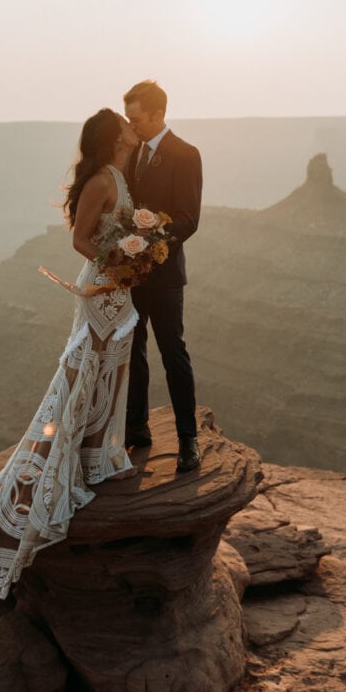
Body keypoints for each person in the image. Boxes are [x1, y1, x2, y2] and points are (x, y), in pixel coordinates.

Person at [0, 109, 140, 634]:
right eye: (127, 127)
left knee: (112, 367)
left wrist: (136, 257)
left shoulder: (120, 175)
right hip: (100, 289)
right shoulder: (99, 180)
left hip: (120, 288)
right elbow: (80, 241)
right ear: (115, 137)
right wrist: (117, 266)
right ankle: (76, 457)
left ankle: (97, 452)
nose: (135, 130)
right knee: (88, 364)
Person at [123, 80, 202, 474]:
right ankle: (136, 429)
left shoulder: (185, 155)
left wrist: (151, 241)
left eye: (136, 118)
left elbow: (189, 219)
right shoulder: (130, 154)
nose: (131, 125)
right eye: (128, 118)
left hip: (166, 275)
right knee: (133, 353)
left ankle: (188, 439)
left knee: (173, 354)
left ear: (158, 115)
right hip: (130, 276)